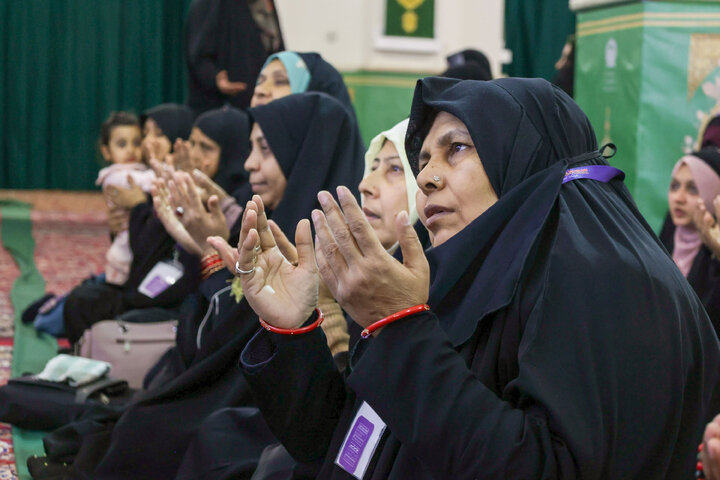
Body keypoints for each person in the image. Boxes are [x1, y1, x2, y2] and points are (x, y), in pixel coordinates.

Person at [232, 77, 720, 479]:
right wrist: (295, 331)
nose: (425, 178)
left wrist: (401, 328)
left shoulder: (605, 280)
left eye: (457, 149)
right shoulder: (456, 280)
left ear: (522, 158)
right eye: (422, 160)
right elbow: (344, 446)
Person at [44, 92, 364, 480]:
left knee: (162, 426)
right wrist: (192, 241)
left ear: (303, 153)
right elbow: (194, 324)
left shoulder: (325, 249)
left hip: (274, 413)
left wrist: (209, 257)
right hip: (243, 388)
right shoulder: (263, 216)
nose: (248, 163)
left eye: (264, 148)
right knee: (143, 406)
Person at [62, 104, 197, 344]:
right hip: (140, 280)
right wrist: (119, 227)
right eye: (146, 134)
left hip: (165, 294)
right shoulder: (142, 178)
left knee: (86, 303)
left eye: (157, 134)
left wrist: (138, 206)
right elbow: (136, 242)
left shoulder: (184, 185)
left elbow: (150, 249)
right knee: (79, 300)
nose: (146, 143)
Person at [660, 148, 720, 335]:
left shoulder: (715, 255)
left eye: (693, 189)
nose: (679, 198)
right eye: (675, 186)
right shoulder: (663, 242)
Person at [185, 0, 281, 114]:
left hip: (264, 105)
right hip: (224, 109)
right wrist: (215, 78)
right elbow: (199, 54)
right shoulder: (212, 4)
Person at [95, 112, 155, 286]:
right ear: (106, 151)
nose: (130, 149)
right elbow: (145, 182)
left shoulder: (140, 168)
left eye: (136, 143)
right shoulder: (113, 176)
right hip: (123, 251)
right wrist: (165, 171)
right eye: (122, 144)